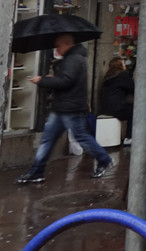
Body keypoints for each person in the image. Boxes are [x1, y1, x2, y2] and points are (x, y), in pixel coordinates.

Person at [17, 33, 113, 184]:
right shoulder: (74, 58)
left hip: (70, 108)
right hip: (64, 107)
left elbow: (65, 81)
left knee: (76, 137)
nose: (56, 49)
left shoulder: (73, 59)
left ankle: (104, 159)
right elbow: (66, 80)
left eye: (58, 46)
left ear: (67, 44)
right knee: (49, 139)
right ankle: (37, 171)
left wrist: (42, 81)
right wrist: (52, 79)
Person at [99, 57, 134, 145]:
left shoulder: (108, 76)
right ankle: (129, 137)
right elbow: (133, 87)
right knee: (135, 111)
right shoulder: (122, 75)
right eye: (123, 63)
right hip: (118, 108)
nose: (125, 65)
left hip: (106, 108)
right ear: (119, 65)